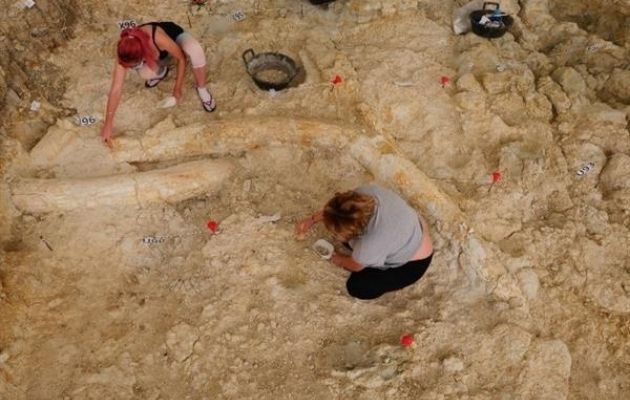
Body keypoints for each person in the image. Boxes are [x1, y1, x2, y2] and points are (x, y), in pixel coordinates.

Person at [296, 185, 433, 300]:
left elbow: (355, 266)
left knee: (358, 287)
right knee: (353, 245)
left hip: (413, 263)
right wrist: (312, 219)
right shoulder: (366, 192)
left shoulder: (370, 244)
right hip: (414, 227)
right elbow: (340, 209)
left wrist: (334, 258)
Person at [101, 21, 216, 146]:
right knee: (145, 74)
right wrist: (108, 123)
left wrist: (177, 90)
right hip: (156, 56)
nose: (132, 68)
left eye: (134, 65)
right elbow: (116, 89)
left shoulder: (158, 38)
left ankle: (202, 88)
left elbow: (181, 58)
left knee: (195, 50)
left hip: (174, 39)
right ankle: (161, 72)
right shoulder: (125, 49)